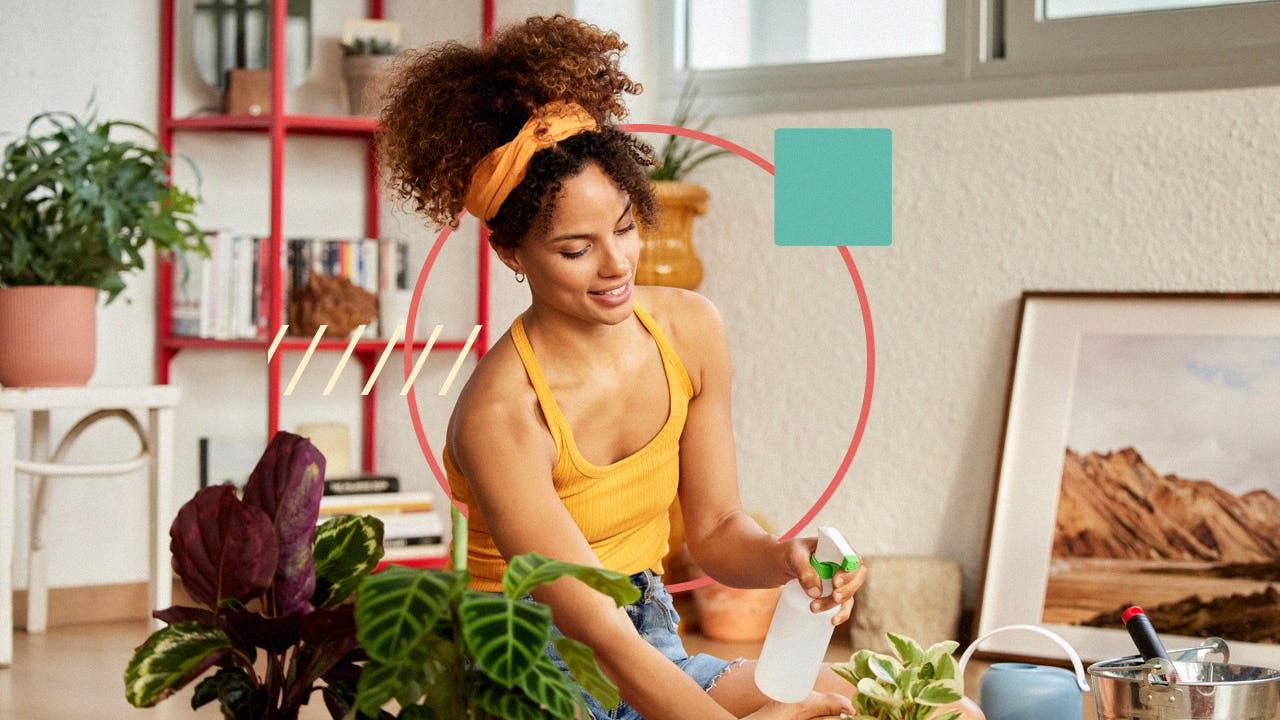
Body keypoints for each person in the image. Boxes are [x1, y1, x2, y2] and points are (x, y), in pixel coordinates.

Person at [379, 14, 979, 720]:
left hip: (650, 637)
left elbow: (718, 530)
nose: (615, 266)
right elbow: (598, 638)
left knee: (927, 709)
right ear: (513, 254)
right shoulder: (501, 415)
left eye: (627, 227)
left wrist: (787, 557)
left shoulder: (690, 331)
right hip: (538, 673)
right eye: (575, 249)